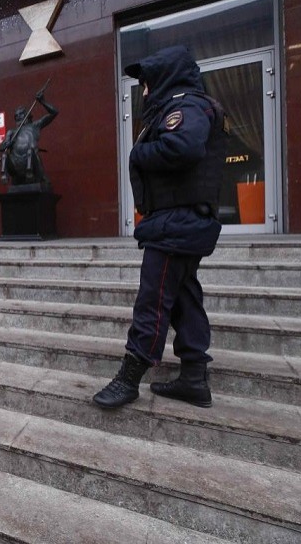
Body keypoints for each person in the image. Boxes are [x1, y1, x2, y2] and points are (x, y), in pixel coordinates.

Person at [93, 45, 228, 410]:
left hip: (177, 224)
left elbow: (184, 147)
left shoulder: (184, 108)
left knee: (152, 299)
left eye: (148, 83)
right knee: (185, 299)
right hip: (181, 223)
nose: (145, 91)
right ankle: (195, 378)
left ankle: (130, 377)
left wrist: (139, 154)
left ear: (165, 78)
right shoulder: (186, 105)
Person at [0, 88, 58, 189]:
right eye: (16, 116)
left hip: (31, 159)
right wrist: (6, 144)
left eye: (20, 115)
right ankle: (4, 174)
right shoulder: (11, 132)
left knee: (31, 151)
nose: (17, 117)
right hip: (15, 163)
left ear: (27, 115)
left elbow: (54, 113)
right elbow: (1, 147)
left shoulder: (35, 125)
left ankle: (31, 171)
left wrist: (42, 101)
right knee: (4, 155)